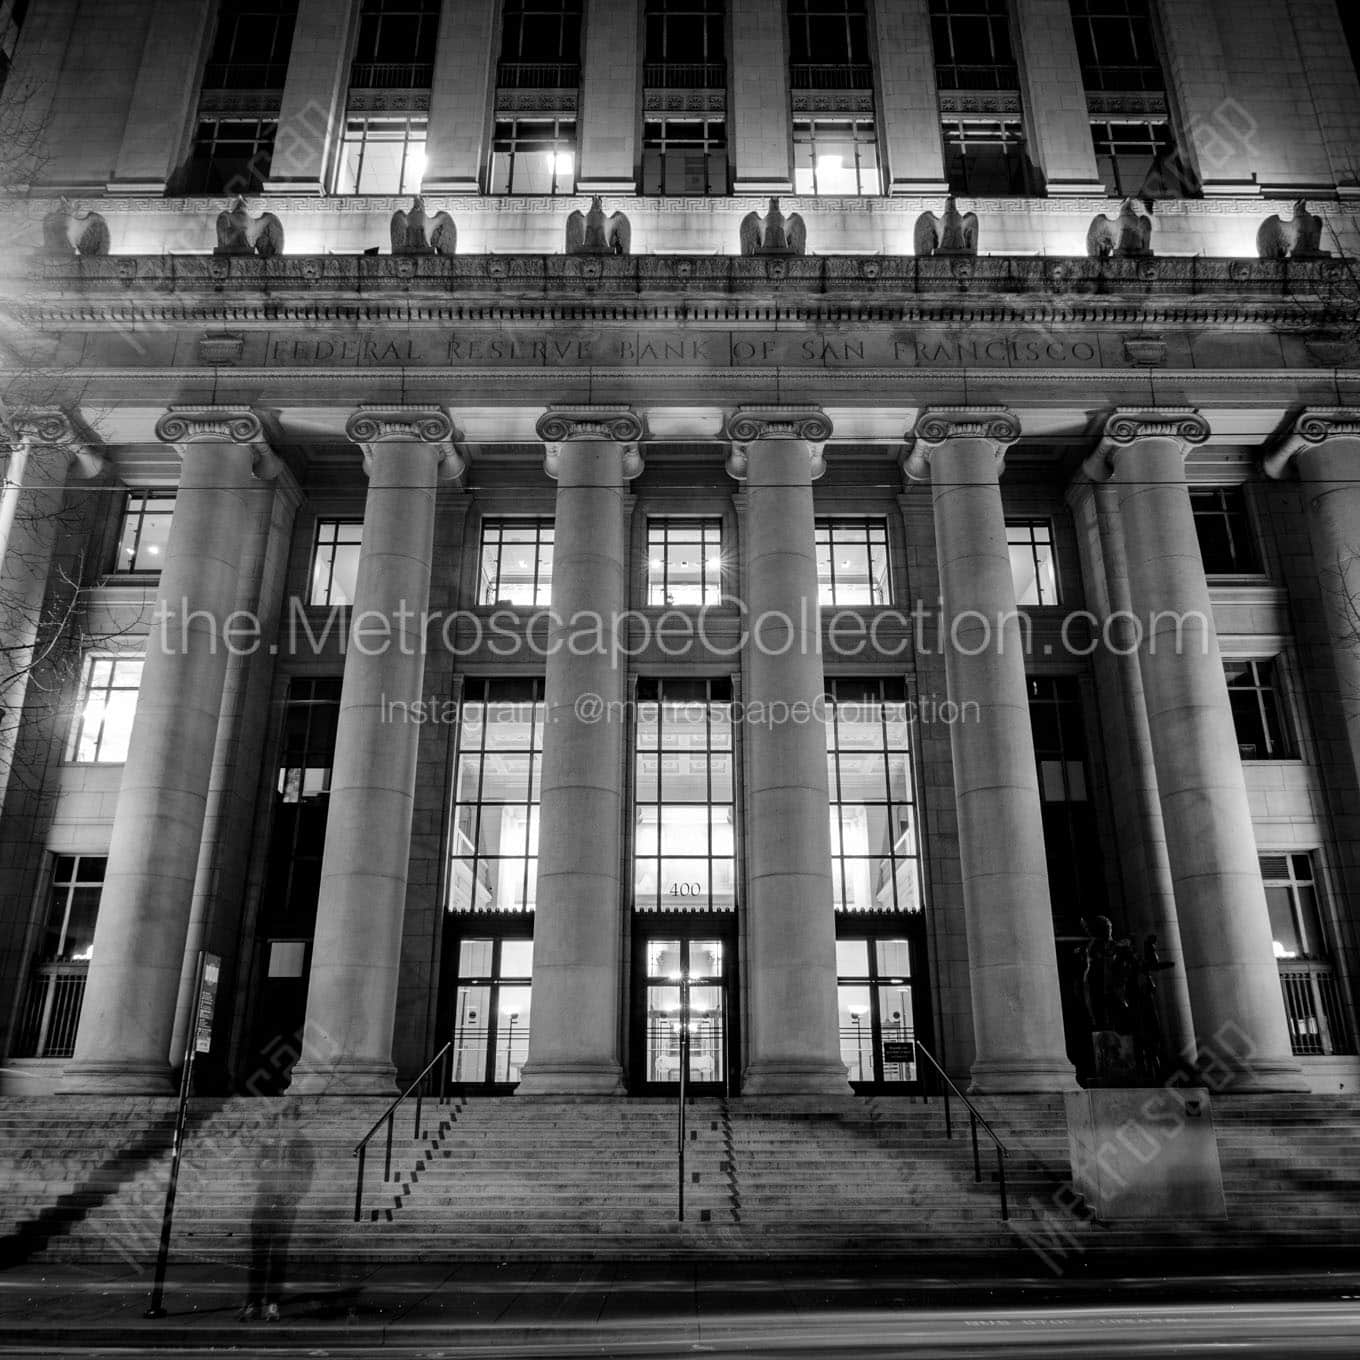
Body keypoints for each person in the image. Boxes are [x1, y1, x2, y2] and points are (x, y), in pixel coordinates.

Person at [241, 1101, 314, 1323]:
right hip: (263, 1202)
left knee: (278, 1257)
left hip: (284, 1205)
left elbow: (306, 1177)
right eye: (283, 1121)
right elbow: (254, 1170)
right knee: (258, 1257)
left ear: (296, 1122)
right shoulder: (268, 1143)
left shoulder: (303, 1145)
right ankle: (253, 1302)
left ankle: (273, 1302)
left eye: (289, 1121)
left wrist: (291, 1198)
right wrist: (264, 1169)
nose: (285, 1126)